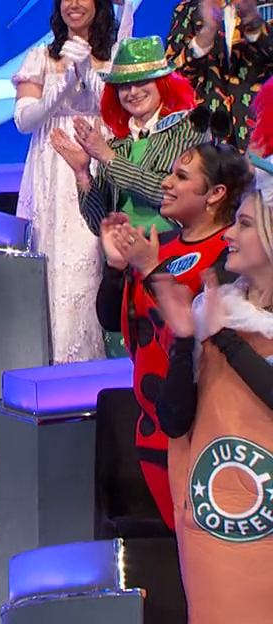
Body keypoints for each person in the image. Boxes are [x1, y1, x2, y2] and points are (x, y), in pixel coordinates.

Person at [152, 175, 273, 624]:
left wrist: (223, 336)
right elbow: (175, 420)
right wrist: (185, 341)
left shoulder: (223, 325)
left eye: (243, 225)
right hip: (231, 544)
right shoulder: (213, 311)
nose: (228, 235)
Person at [96, 140, 251, 530]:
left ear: (215, 193)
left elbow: (195, 334)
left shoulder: (231, 257)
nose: (166, 184)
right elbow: (114, 321)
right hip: (152, 432)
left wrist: (151, 270)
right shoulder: (158, 245)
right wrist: (115, 268)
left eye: (181, 177)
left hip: (207, 434)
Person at [52, 35, 203, 358]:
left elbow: (167, 193)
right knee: (128, 356)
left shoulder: (187, 130)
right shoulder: (116, 145)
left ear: (163, 83)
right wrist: (82, 173)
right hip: (124, 271)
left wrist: (108, 159)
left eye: (141, 82)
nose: (132, 92)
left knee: (171, 356)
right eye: (124, 86)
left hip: (171, 260)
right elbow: (99, 221)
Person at [14, 0, 136, 363]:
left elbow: (120, 112)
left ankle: (92, 362)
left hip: (98, 159)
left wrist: (85, 68)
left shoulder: (114, 55)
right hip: (52, 169)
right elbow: (24, 121)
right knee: (53, 260)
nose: (74, 4)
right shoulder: (41, 57)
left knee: (93, 255)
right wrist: (60, 87)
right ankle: (51, 363)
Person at [165, 0, 273, 151]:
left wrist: (253, 23)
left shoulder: (267, 6)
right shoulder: (189, 9)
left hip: (261, 135)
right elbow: (172, 77)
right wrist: (205, 36)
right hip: (206, 135)